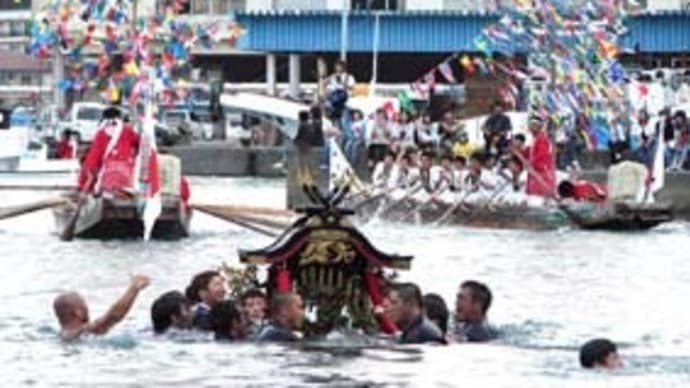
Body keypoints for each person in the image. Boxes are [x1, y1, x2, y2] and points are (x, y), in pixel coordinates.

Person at [53, 274, 150, 340]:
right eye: (84, 305)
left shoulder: (63, 334)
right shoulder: (83, 332)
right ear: (78, 312)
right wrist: (134, 288)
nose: (87, 309)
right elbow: (113, 316)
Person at [78, 106, 141, 194]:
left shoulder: (101, 134)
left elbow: (93, 159)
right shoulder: (128, 132)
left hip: (106, 180)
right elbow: (140, 143)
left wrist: (84, 184)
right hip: (126, 176)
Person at [525, 116, 556, 198]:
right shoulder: (535, 139)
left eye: (533, 125)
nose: (531, 128)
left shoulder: (542, 139)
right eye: (530, 125)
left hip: (541, 170)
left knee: (540, 194)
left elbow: (542, 154)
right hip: (536, 169)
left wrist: (531, 162)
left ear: (539, 127)